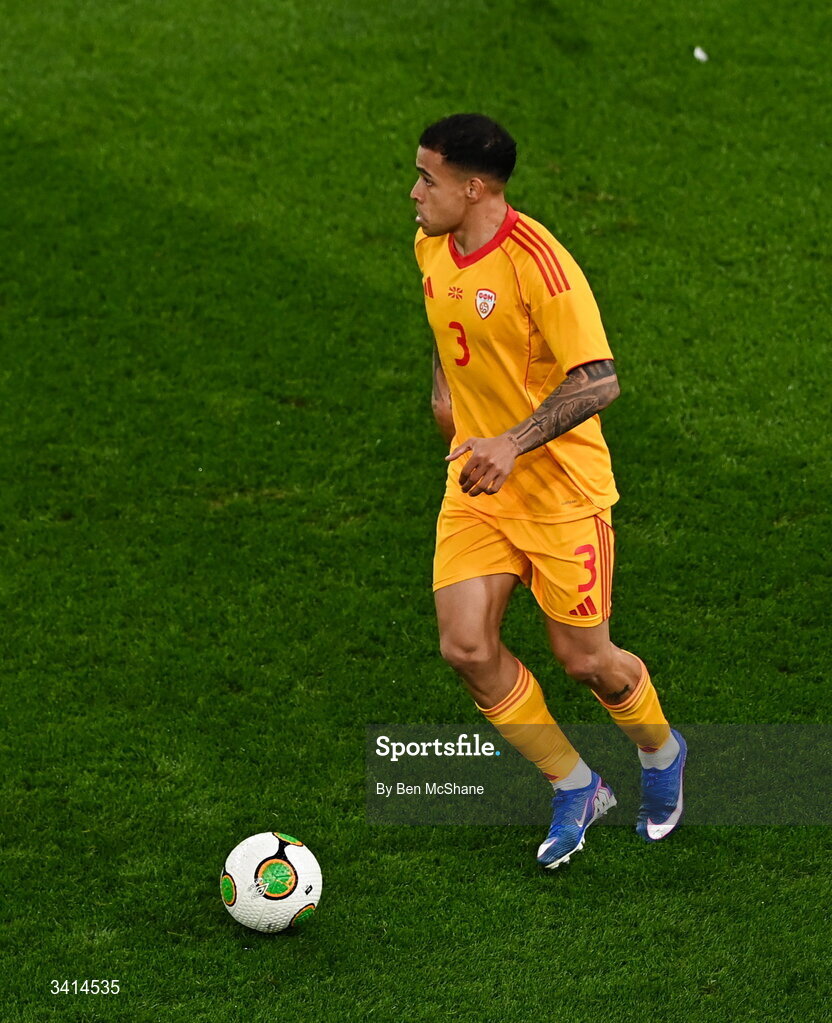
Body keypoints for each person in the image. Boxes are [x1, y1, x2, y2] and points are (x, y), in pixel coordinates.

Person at [411, 113, 686, 868]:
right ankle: (576, 783)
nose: (414, 192)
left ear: (474, 188)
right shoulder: (432, 244)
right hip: (478, 484)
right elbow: (444, 324)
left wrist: (511, 440)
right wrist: (449, 406)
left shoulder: (542, 266)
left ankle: (662, 754)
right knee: (466, 646)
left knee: (587, 661)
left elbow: (599, 380)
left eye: (428, 178)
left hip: (562, 494)